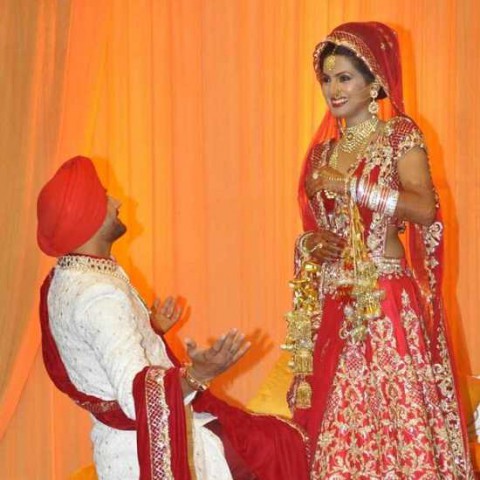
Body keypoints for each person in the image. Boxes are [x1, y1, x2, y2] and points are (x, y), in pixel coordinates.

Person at [37, 155, 309, 480]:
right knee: (282, 448)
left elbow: (94, 349)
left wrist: (148, 327)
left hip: (117, 446)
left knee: (271, 441)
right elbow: (137, 397)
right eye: (105, 196)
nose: (117, 201)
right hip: (141, 451)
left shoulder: (64, 278)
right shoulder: (99, 296)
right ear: (87, 215)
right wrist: (200, 373)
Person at [287, 22, 474, 478]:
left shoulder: (398, 137)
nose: (333, 89)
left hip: (385, 304)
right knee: (336, 424)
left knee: (394, 421)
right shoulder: (320, 154)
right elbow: (315, 230)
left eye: (345, 77)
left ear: (374, 83)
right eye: (327, 79)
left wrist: (351, 186)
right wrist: (310, 243)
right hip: (334, 306)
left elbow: (425, 209)